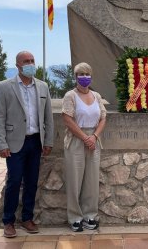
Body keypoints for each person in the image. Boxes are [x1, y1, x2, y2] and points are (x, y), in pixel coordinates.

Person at [0, 51, 54, 238]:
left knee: (31, 182)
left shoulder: (43, 87)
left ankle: (27, 218)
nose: (30, 64)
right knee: (14, 181)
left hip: (36, 141)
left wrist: (49, 141)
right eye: (26, 61)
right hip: (14, 143)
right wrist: (1, 144)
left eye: (32, 61)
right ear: (18, 65)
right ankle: (8, 221)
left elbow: (48, 117)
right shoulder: (4, 87)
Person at [62, 62, 106, 232]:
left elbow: (103, 118)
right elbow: (67, 119)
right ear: (75, 77)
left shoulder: (96, 96)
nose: (84, 77)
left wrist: (94, 137)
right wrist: (84, 138)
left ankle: (90, 215)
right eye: (81, 74)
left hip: (94, 140)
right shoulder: (70, 96)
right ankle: (74, 217)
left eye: (87, 74)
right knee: (75, 180)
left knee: (92, 180)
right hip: (76, 140)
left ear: (91, 76)